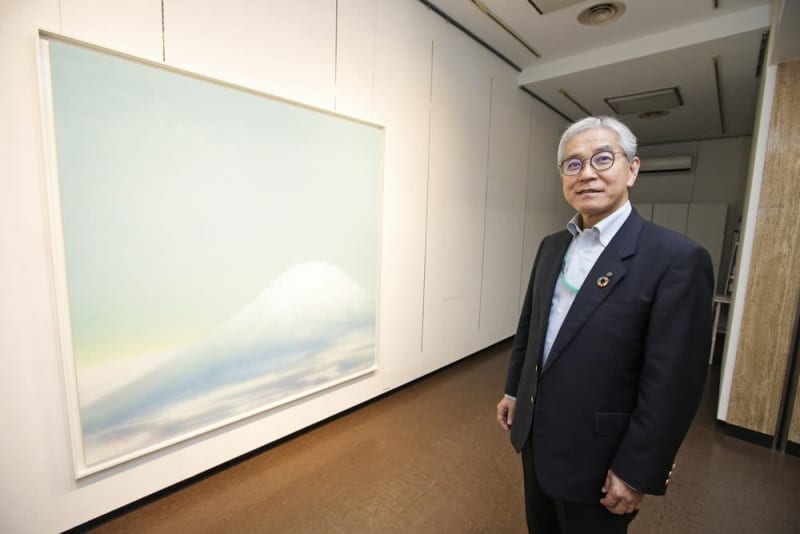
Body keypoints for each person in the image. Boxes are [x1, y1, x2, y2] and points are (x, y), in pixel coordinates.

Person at [496, 116, 713, 534]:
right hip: (538, 440)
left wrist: (637, 470)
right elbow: (532, 327)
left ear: (632, 169)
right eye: (573, 164)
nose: (587, 173)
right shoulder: (552, 245)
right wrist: (513, 389)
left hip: (602, 459)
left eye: (602, 158)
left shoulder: (675, 258)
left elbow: (674, 383)